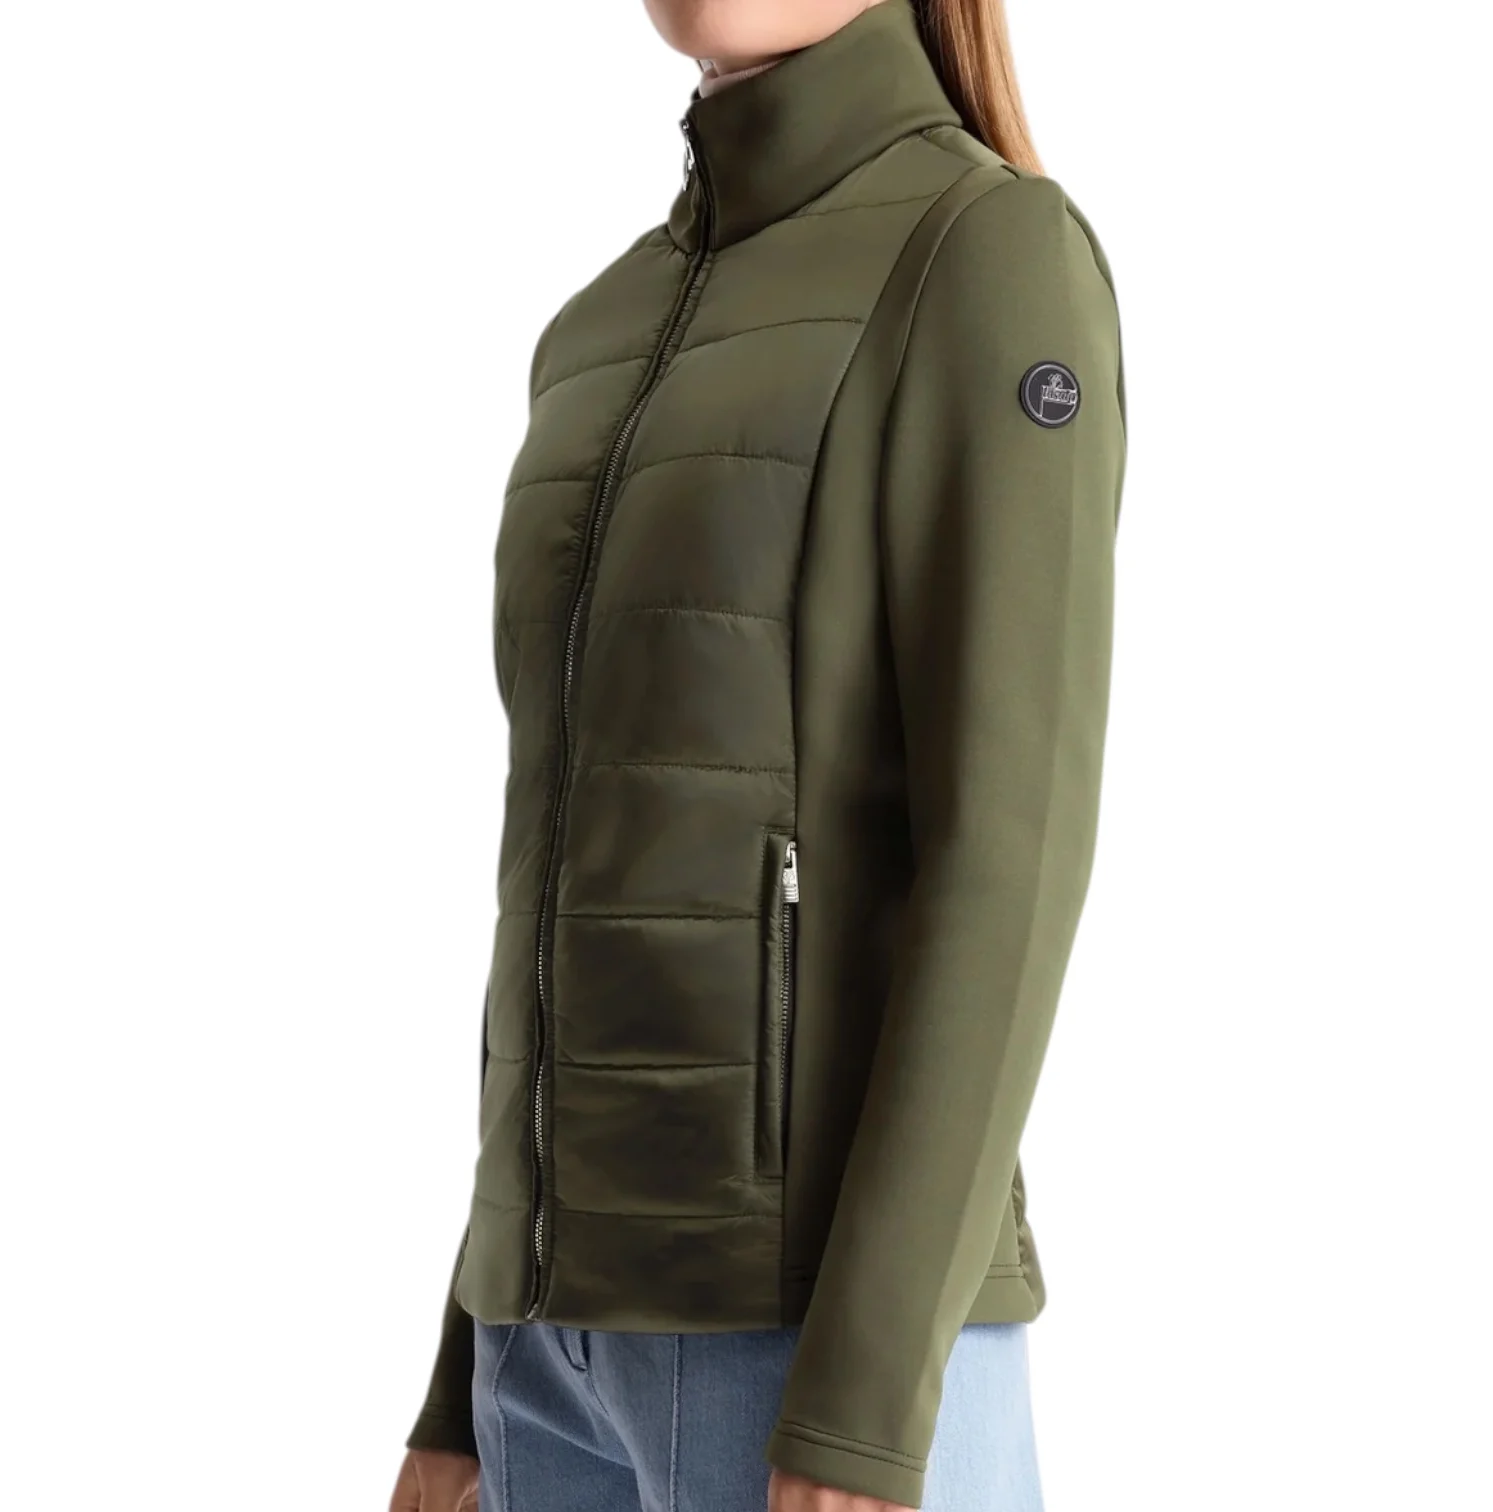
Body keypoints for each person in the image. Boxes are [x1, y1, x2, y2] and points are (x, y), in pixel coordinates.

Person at [388, 1, 1126, 1508]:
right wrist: (464, 1367)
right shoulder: (596, 330)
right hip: (544, 1351)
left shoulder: (984, 255)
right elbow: (561, 877)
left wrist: (861, 1399)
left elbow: (1008, 857)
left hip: (811, 1351)